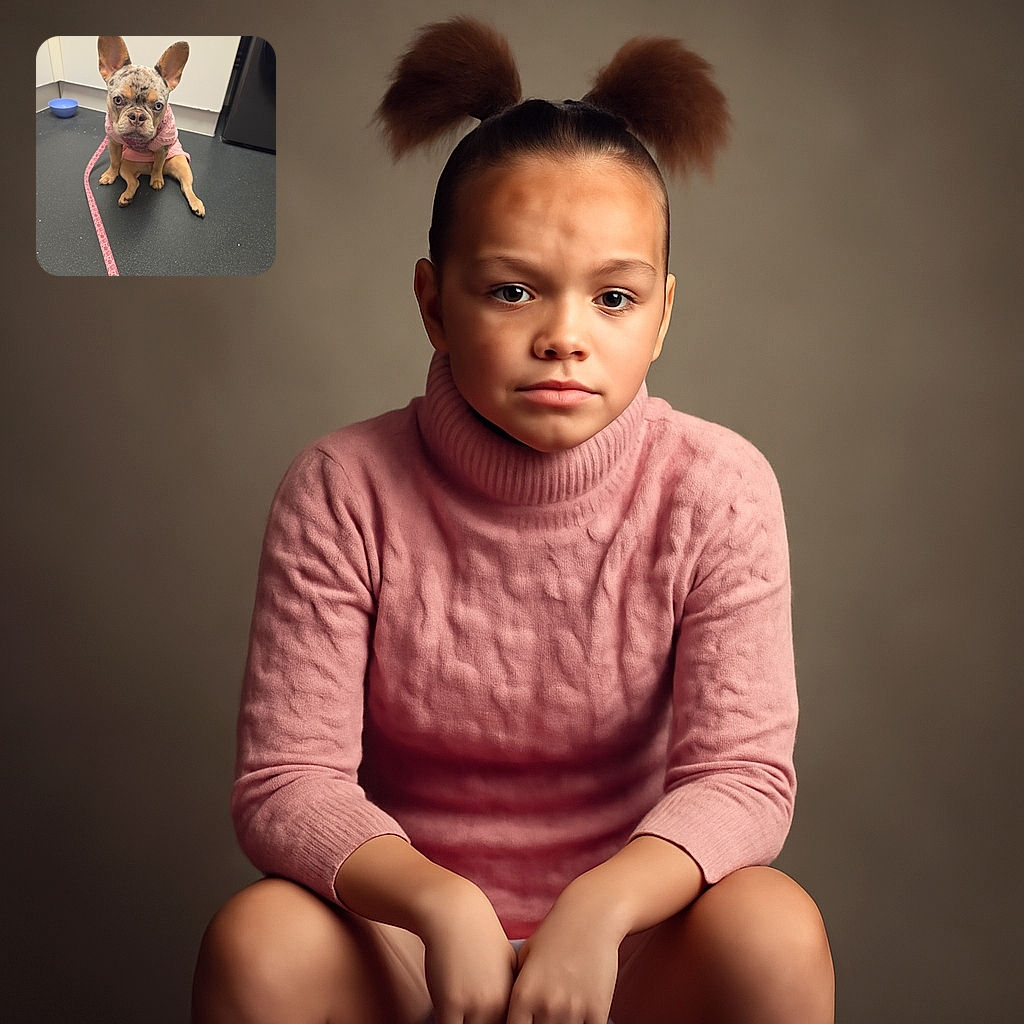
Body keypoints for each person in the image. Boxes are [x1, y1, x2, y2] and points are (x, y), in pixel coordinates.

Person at [192, 17, 834, 1024]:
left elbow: (741, 777)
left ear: (663, 313)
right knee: (258, 939)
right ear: (434, 304)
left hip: (627, 950)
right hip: (410, 950)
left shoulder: (716, 488)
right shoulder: (343, 488)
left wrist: (599, 910)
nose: (565, 336)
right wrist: (442, 905)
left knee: (774, 930)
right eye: (512, 290)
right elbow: (287, 781)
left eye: (613, 298)